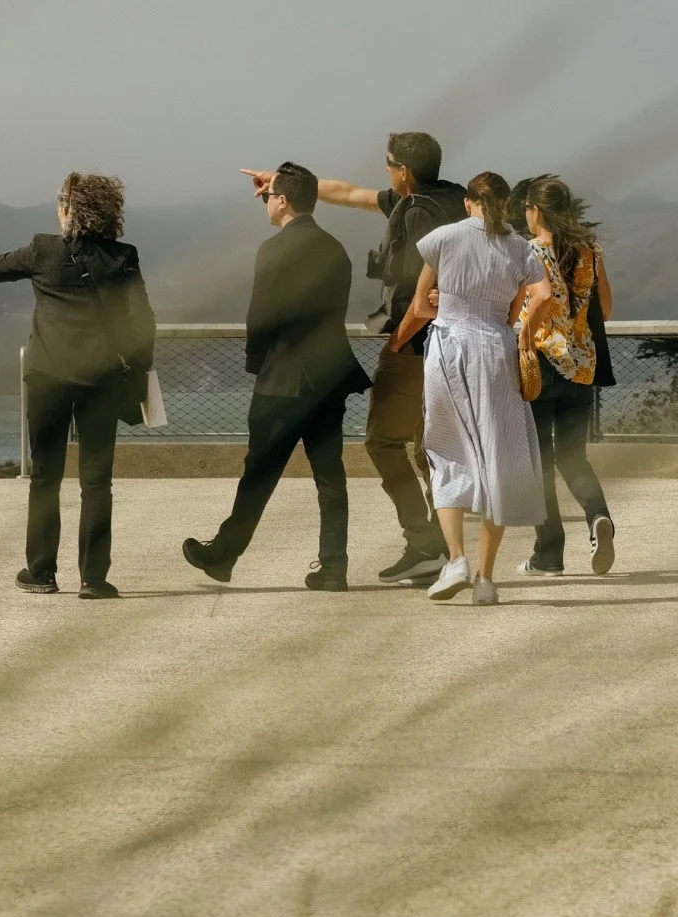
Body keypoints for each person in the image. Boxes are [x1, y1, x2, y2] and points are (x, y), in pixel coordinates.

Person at [244, 133, 466, 584]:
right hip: (461, 344)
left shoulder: (417, 211)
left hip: (417, 341)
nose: (384, 172)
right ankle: (444, 548)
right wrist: (282, 181)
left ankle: (426, 544)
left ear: (403, 170)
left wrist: (401, 338)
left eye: (388, 164)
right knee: (432, 447)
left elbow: (427, 286)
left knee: (385, 443)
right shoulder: (457, 200)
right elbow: (348, 193)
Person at [0, 172, 155, 599]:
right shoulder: (124, 257)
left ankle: (41, 572)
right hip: (101, 382)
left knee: (45, 477)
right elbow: (142, 324)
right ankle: (94, 580)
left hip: (48, 378)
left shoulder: (45, 249)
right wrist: (137, 375)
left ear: (68, 209)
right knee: (97, 482)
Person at [182, 162, 370, 590]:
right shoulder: (335, 248)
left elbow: (260, 317)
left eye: (270, 197)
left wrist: (256, 365)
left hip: (284, 378)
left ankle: (224, 555)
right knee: (329, 474)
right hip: (330, 376)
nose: (266, 203)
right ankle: (334, 566)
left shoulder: (273, 249)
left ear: (282, 201)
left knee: (259, 472)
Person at [390, 171, 552, 605]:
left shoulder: (443, 238)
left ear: (468, 202)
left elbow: (422, 305)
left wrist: (395, 344)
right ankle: (485, 579)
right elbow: (544, 295)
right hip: (497, 352)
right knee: (496, 458)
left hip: (449, 347)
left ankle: (456, 559)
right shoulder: (519, 246)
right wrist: (518, 329)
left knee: (446, 452)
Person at [518, 175, 616, 575]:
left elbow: (534, 303)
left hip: (540, 366)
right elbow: (604, 309)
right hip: (583, 366)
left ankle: (549, 553)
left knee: (539, 461)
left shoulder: (529, 253)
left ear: (536, 211)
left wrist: (526, 335)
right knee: (573, 455)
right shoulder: (589, 250)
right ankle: (597, 517)